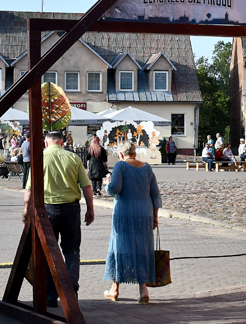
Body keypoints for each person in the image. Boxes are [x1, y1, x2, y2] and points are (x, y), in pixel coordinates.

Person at [23, 131, 94, 308]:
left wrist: (26, 211)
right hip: (71, 209)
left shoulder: (40, 158)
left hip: (47, 210)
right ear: (62, 142)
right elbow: (86, 187)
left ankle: (50, 295)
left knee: (48, 252)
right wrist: (90, 209)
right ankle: (71, 287)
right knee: (72, 250)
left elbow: (29, 191)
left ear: (46, 142)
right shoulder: (73, 158)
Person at [103, 141, 161, 304]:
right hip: (145, 212)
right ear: (134, 153)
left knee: (120, 247)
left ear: (121, 154)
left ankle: (115, 289)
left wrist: (107, 183)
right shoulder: (147, 167)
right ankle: (143, 290)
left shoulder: (120, 166)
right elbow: (155, 194)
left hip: (125, 212)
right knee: (142, 248)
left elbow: (115, 189)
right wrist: (155, 216)